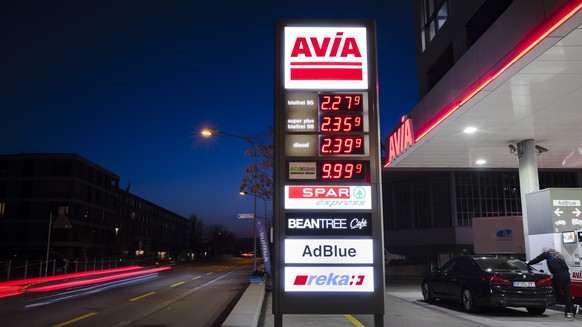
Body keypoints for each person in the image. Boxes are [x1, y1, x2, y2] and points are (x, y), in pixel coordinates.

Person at [528, 247, 579, 318]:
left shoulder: (547, 253)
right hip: (566, 274)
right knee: (567, 293)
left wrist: (529, 262)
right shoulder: (558, 254)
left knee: (556, 293)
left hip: (558, 275)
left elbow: (537, 259)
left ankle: (571, 307)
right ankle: (569, 311)